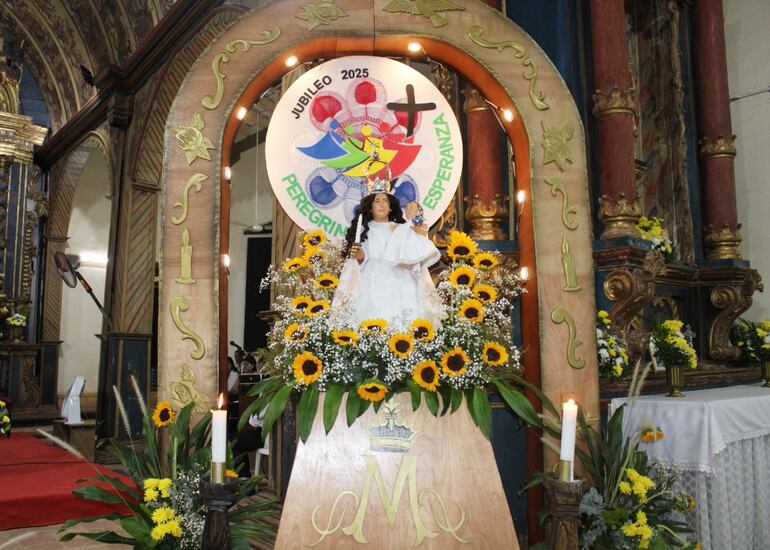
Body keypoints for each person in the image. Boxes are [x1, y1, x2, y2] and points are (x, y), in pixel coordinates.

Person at [334, 189, 442, 328]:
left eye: (385, 201)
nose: (382, 204)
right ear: (371, 208)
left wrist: (414, 218)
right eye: (377, 201)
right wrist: (359, 254)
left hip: (400, 274)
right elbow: (363, 253)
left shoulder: (400, 228)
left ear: (391, 207)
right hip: (371, 277)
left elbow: (417, 242)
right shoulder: (365, 229)